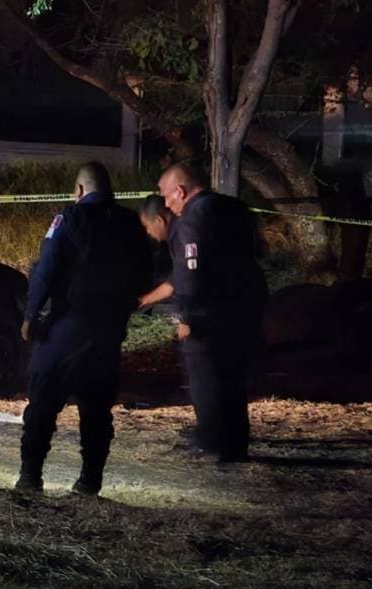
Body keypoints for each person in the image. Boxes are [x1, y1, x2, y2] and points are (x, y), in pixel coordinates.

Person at [16, 162, 152, 496]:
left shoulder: (69, 219)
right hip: (106, 333)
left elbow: (46, 269)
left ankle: (30, 478)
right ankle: (89, 481)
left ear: (79, 191)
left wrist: (30, 314)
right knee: (97, 409)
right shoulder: (130, 223)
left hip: (67, 325)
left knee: (43, 401)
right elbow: (145, 274)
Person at [157, 163, 267, 462]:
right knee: (234, 377)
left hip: (209, 311)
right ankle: (235, 444)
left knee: (205, 377)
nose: (166, 203)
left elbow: (190, 268)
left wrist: (187, 315)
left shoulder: (194, 215)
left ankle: (211, 440)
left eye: (167, 196)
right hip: (244, 306)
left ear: (180, 191)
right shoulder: (235, 207)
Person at [138, 194, 176, 310]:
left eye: (147, 226)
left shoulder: (182, 235)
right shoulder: (174, 237)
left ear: (159, 220)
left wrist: (145, 300)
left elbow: (180, 280)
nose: (148, 232)